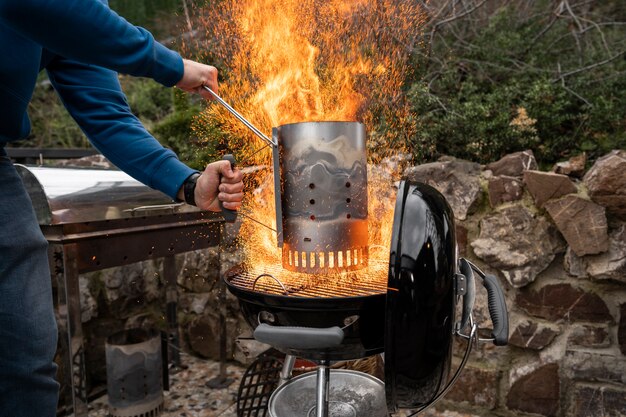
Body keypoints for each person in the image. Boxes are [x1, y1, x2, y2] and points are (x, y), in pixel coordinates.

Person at [0, 0, 243, 415]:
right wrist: (173, 66)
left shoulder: (79, 22)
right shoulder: (72, 13)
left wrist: (186, 185)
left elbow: (107, 115)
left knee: (26, 360)